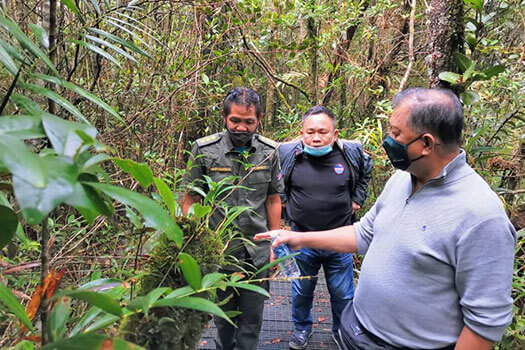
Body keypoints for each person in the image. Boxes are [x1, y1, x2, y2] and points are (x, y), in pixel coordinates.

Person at [256, 88, 516, 350]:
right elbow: (364, 233)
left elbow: (484, 324)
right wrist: (298, 238)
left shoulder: (481, 215)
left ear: (426, 143)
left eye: (395, 133)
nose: (387, 140)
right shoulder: (403, 179)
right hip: (359, 332)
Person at [182, 87, 283, 350]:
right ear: (225, 117)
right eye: (235, 120)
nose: (241, 127)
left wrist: (275, 243)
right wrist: (190, 241)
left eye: (248, 121)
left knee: (252, 320)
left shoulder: (270, 152)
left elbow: (273, 198)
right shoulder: (205, 149)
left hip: (256, 252)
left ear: (259, 119)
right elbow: (191, 199)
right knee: (223, 319)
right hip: (220, 251)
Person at [278, 106, 373, 349]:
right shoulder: (289, 154)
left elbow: (366, 170)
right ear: (302, 133)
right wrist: (284, 206)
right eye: (310, 132)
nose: (316, 138)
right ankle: (301, 329)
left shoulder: (350, 154)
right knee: (302, 290)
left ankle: (341, 332)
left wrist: (357, 199)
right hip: (301, 239)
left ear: (335, 134)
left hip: (340, 239)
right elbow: (275, 181)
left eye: (323, 132)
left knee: (342, 293)